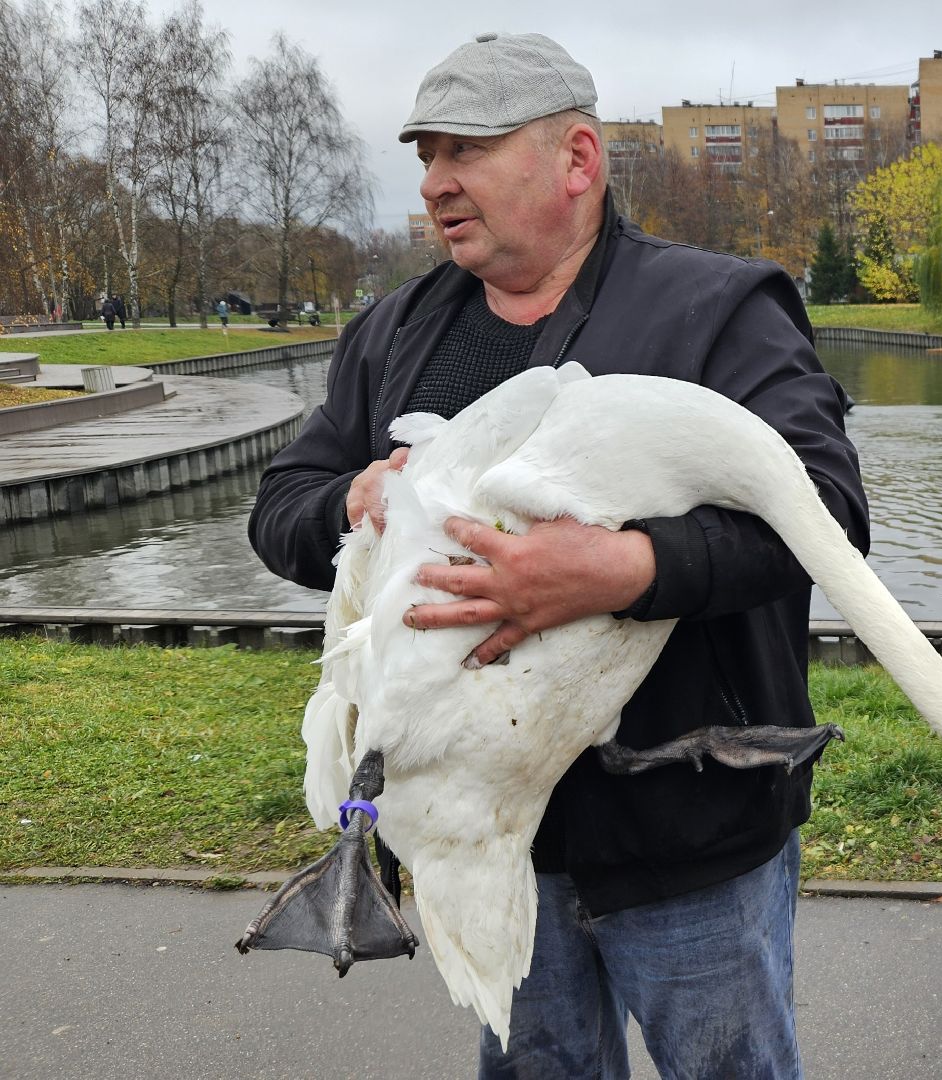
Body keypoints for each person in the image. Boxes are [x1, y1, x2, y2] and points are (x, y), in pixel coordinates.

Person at [247, 31, 866, 1079]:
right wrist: (351, 501)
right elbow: (280, 507)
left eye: (467, 150)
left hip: (688, 843)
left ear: (577, 159)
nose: (435, 183)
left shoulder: (718, 311)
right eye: (427, 157)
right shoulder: (393, 335)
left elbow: (830, 514)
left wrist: (625, 572)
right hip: (494, 845)